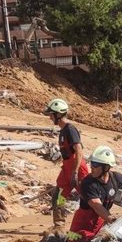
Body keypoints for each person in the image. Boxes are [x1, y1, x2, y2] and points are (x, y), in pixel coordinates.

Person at [42, 98, 89, 229]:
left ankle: (98, 221)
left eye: (51, 114)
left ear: (58, 114)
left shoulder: (70, 129)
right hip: (67, 167)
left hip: (77, 168)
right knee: (59, 195)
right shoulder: (62, 131)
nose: (50, 117)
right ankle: (59, 225)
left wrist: (75, 172)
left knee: (88, 198)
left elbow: (79, 151)